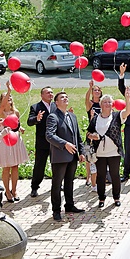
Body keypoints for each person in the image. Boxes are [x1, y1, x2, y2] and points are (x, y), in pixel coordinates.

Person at [46, 91, 87, 221]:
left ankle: (69, 205)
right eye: (62, 97)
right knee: (57, 184)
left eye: (66, 97)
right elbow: (49, 135)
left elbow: (78, 136)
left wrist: (82, 152)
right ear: (56, 102)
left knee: (69, 182)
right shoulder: (53, 117)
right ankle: (56, 210)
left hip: (73, 156)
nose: (65, 98)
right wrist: (64, 144)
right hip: (59, 156)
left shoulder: (72, 116)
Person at [87, 93, 130, 208]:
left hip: (114, 152)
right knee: (101, 176)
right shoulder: (96, 118)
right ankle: (101, 198)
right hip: (99, 153)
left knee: (115, 175)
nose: (107, 104)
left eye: (109, 102)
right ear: (101, 104)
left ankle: (116, 197)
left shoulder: (117, 116)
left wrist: (127, 98)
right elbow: (88, 132)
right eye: (105, 102)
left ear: (113, 105)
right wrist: (92, 136)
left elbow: (128, 111)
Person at [0, 86, 28, 203]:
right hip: (5, 141)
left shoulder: (16, 112)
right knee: (6, 167)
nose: (8, 99)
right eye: (5, 98)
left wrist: (21, 128)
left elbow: (15, 124)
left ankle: (14, 190)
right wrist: (9, 90)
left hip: (16, 140)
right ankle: (7, 191)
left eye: (9, 98)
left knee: (15, 166)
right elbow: (5, 121)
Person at [28, 87, 55, 198]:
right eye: (48, 92)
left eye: (52, 92)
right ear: (42, 95)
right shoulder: (36, 107)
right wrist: (37, 118)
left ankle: (58, 184)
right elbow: (29, 122)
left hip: (55, 142)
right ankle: (34, 187)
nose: (51, 94)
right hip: (42, 142)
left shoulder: (55, 105)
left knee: (56, 165)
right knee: (39, 165)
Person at [84, 80, 103, 189]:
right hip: (91, 132)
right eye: (94, 90)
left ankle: (97, 177)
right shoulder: (90, 103)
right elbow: (86, 99)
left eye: (98, 90)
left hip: (101, 133)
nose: (96, 92)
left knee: (98, 156)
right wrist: (89, 88)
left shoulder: (103, 103)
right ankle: (88, 178)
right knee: (88, 156)